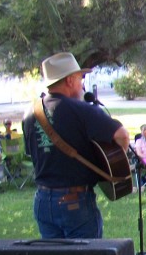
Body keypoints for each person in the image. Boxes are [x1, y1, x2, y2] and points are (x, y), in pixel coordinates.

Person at [23, 52, 128, 237]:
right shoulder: (81, 109)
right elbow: (121, 135)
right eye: (81, 78)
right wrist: (112, 164)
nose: (82, 84)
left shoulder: (30, 113)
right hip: (74, 201)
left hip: (42, 200)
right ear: (70, 80)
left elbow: (33, 153)